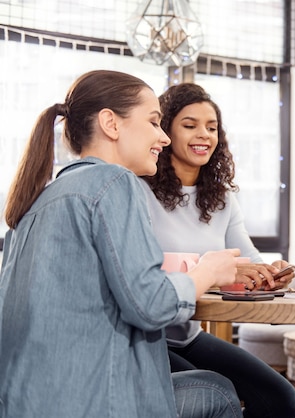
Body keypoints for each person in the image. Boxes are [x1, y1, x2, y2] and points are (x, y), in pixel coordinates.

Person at [0, 70, 244, 418]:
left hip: (30, 401)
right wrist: (207, 271)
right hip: (94, 402)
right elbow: (150, 305)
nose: (162, 137)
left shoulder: (42, 198)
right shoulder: (113, 181)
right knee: (219, 390)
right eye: (154, 122)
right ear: (110, 124)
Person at [141, 82, 295, 418]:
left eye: (211, 127)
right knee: (217, 390)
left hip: (187, 334)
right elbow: (142, 272)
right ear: (165, 131)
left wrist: (271, 274)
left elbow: (248, 260)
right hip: (147, 337)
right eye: (190, 125)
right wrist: (210, 269)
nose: (204, 135)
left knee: (282, 399)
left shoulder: (222, 198)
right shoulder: (139, 190)